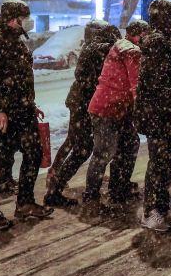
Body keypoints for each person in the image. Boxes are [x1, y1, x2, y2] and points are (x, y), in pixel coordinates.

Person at [0, 0, 54, 230]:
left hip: (22, 110)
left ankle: (25, 202)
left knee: (34, 152)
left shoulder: (19, 42)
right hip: (2, 114)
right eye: (23, 18)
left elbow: (22, 80)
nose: (28, 23)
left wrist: (30, 104)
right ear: (12, 20)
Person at [43, 20, 120, 208]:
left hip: (82, 102)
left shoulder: (90, 48)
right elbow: (91, 78)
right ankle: (55, 187)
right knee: (81, 147)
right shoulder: (97, 50)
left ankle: (55, 181)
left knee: (78, 144)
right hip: (84, 104)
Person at [83, 20, 149, 213]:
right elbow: (136, 84)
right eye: (145, 35)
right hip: (107, 108)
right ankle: (91, 197)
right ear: (138, 35)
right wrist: (141, 105)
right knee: (104, 152)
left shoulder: (122, 45)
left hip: (116, 108)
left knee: (129, 144)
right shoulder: (131, 51)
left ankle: (119, 187)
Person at [137, 0, 171, 233]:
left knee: (167, 160)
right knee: (159, 163)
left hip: (166, 115)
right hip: (157, 115)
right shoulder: (158, 44)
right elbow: (159, 84)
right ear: (167, 19)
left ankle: (162, 206)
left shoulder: (169, 41)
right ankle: (151, 212)